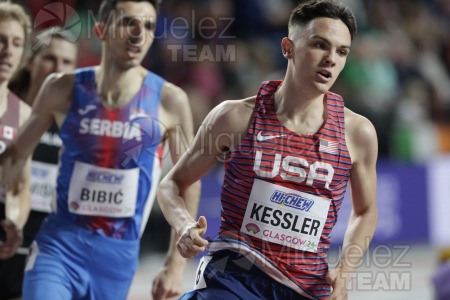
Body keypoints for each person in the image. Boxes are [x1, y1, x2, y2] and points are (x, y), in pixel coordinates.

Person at [157, 0, 378, 299]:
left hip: (306, 287)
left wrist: (344, 271)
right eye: (319, 45)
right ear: (288, 47)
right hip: (232, 278)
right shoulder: (234, 117)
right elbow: (172, 183)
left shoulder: (358, 133)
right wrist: (183, 225)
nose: (331, 59)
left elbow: (366, 211)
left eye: (341, 52)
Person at [0, 0, 200, 299]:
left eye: (147, 26)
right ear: (100, 30)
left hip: (116, 259)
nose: (138, 34)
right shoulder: (62, 88)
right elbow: (15, 156)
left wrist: (174, 264)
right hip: (58, 246)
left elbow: (187, 182)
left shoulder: (170, 101)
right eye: (127, 23)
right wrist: (14, 215)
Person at [0, 26, 78, 299]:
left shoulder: (76, 126)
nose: (58, 68)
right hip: (5, 239)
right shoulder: (7, 110)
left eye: (67, 62)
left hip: (46, 251)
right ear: (30, 61)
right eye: (49, 58)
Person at [0, 0, 32, 265]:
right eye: (0, 40)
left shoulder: (23, 114)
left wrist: (15, 222)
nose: (7, 51)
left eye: (16, 43)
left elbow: (21, 185)